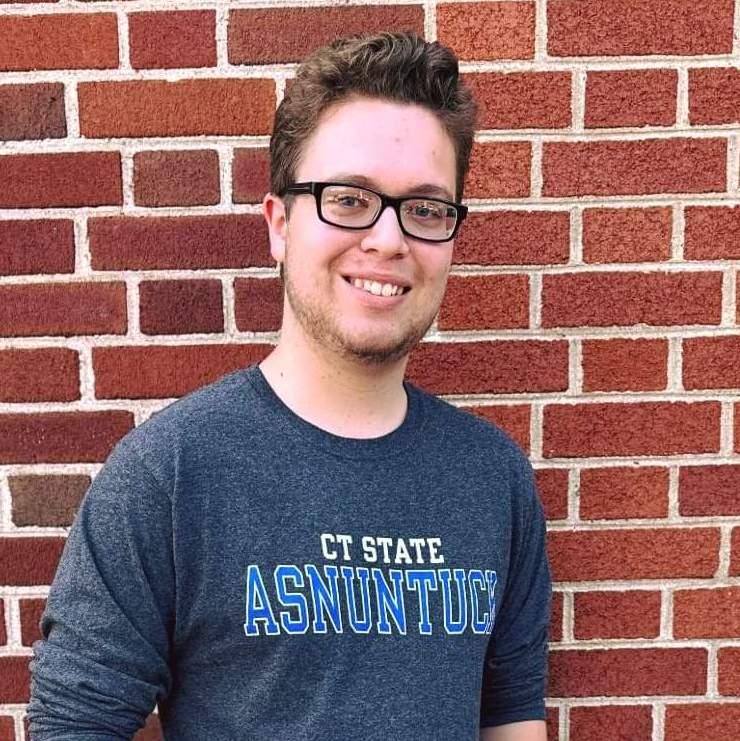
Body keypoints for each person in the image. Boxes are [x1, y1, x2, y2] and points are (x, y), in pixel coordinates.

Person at [28, 31, 551, 741]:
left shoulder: (493, 476)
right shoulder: (171, 473)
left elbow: (511, 716)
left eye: (426, 209)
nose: (389, 239)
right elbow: (73, 724)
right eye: (349, 198)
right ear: (279, 224)